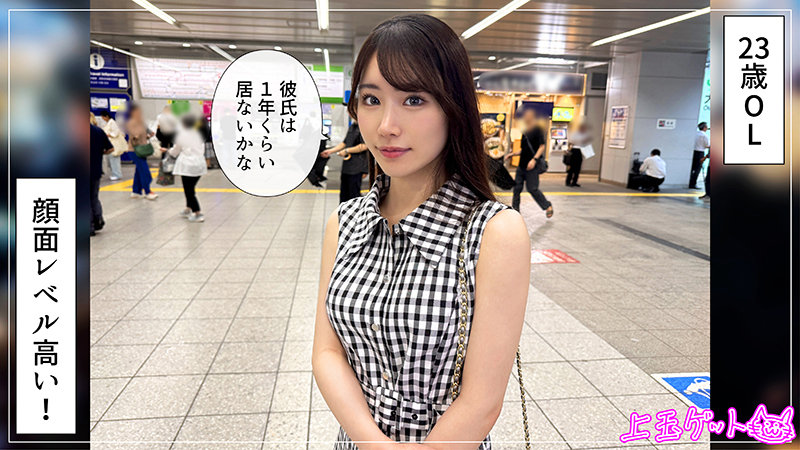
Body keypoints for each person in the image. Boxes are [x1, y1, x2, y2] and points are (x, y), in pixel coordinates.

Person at [312, 14, 530, 449]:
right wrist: (373, 442)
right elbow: (327, 353)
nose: (386, 125)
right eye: (371, 99)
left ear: (454, 108)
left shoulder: (494, 233)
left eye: (414, 99)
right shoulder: (345, 223)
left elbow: (483, 401)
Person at [505, 109, 553, 218]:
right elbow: (524, 149)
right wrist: (512, 154)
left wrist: (534, 160)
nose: (525, 118)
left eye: (527, 116)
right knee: (517, 188)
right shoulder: (525, 131)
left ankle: (547, 206)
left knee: (532, 189)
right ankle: (515, 210)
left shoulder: (538, 130)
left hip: (532, 167)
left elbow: (542, 147)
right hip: (521, 166)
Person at [169, 114, 208, 222]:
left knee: (189, 190)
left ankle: (197, 212)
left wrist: (168, 151)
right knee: (190, 187)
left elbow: (175, 151)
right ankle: (188, 208)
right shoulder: (200, 134)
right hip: (199, 165)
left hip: (187, 166)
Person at [320, 120, 369, 202]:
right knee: (344, 195)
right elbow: (344, 143)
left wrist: (347, 151)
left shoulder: (364, 127)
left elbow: (365, 145)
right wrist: (330, 151)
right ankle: (343, 209)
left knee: (354, 195)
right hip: (347, 166)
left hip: (357, 166)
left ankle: (355, 210)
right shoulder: (352, 126)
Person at [125, 103, 158, 200]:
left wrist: (148, 134)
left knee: (139, 171)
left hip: (142, 150)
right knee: (144, 171)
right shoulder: (131, 122)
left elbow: (144, 134)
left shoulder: (141, 122)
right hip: (134, 150)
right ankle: (148, 192)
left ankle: (136, 191)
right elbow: (135, 136)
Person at [89, 118, 114, 236]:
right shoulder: (98, 131)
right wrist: (100, 153)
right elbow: (110, 148)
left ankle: (89, 227)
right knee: (94, 197)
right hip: (95, 170)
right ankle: (98, 221)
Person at [99, 110, 124, 181]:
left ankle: (117, 175)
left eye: (103, 117)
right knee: (111, 161)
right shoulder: (109, 123)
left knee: (114, 161)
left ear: (106, 116)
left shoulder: (112, 123)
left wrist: (107, 135)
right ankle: (114, 174)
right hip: (110, 144)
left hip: (114, 144)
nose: (103, 119)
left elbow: (115, 133)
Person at [565, 122, 591, 187]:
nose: (584, 130)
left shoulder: (585, 134)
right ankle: (568, 182)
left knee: (578, 168)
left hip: (581, 150)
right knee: (572, 167)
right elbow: (571, 142)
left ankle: (574, 182)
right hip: (574, 150)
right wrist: (579, 141)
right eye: (582, 128)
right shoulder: (575, 134)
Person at [689, 122, 710, 189]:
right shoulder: (705, 135)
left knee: (692, 169)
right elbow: (707, 145)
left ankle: (689, 182)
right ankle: (693, 184)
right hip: (700, 153)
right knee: (697, 169)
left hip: (693, 152)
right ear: (704, 128)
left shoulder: (695, 134)